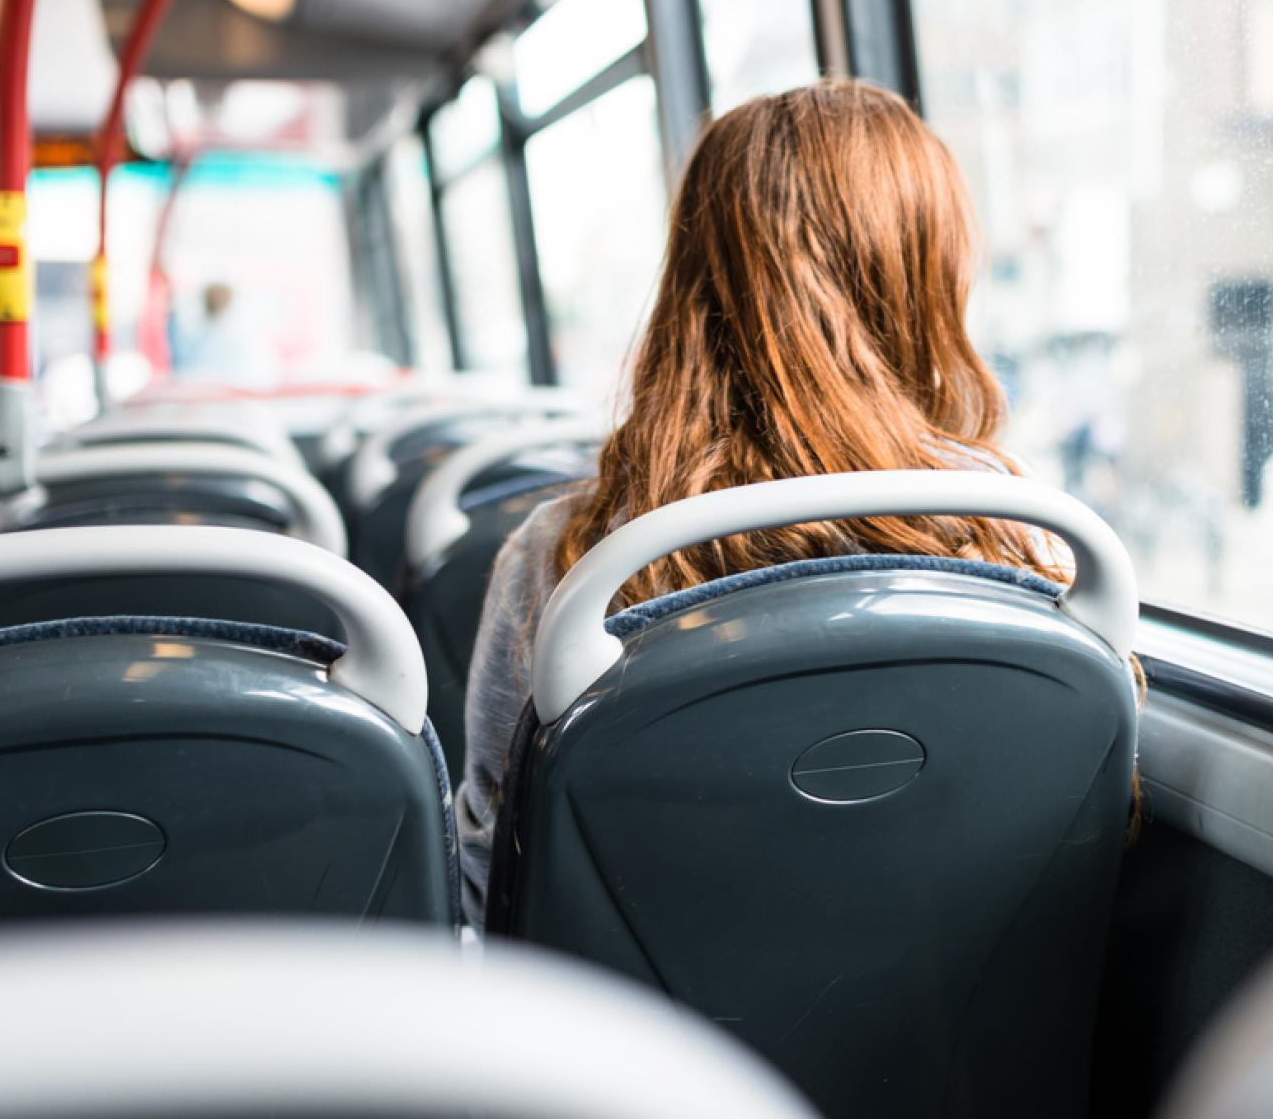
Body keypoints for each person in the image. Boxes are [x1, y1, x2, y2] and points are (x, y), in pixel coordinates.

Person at [456, 79, 1139, 926]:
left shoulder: (568, 562)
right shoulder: (1013, 533)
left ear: (691, 284)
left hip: (634, 1054)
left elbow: (496, 878)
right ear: (924, 274)